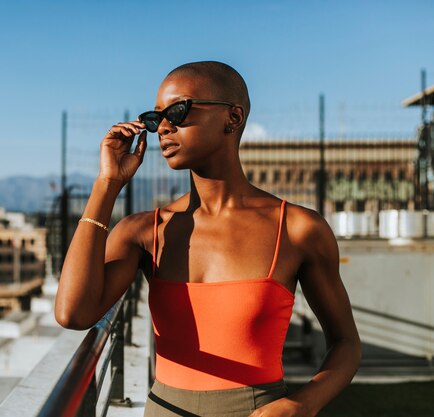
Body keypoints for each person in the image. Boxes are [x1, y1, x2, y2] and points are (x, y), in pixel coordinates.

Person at [55, 61, 361, 417]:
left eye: (178, 111)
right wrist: (106, 185)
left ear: (233, 117)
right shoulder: (144, 232)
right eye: (155, 119)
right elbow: (73, 313)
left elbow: (346, 343)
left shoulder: (297, 229)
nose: (163, 128)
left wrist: (301, 405)